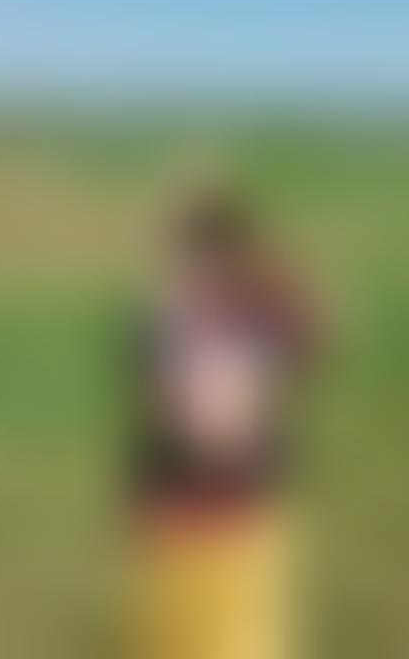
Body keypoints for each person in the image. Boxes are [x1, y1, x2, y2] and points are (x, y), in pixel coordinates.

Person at [126, 185, 322, 659]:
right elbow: (169, 403)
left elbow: (315, 335)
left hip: (238, 509)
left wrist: (273, 273)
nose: (207, 271)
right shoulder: (165, 317)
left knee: (235, 636)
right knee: (176, 634)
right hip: (180, 507)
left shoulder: (257, 315)